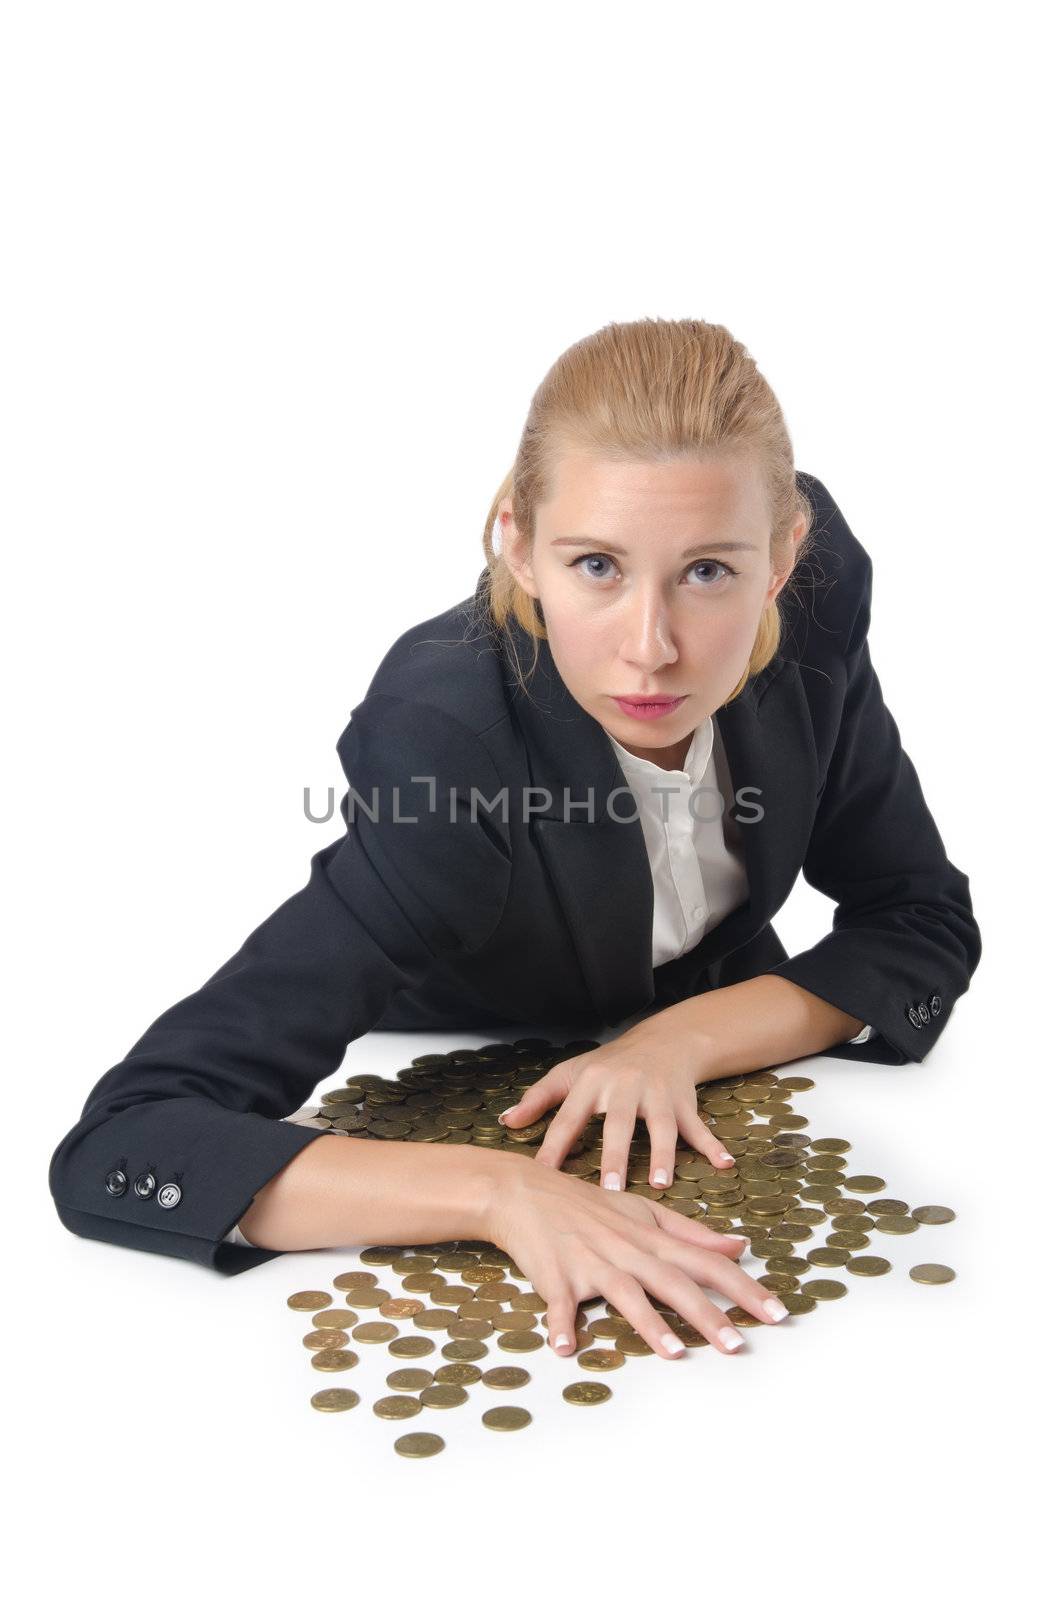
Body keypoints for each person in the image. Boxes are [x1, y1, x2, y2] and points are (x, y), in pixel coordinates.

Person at [48, 317, 981, 1361]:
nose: (651, 647)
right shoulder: (447, 744)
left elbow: (917, 916)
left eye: (708, 572)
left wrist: (675, 1042)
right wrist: (496, 1191)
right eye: (595, 565)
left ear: (782, 561)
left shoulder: (812, 619)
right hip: (470, 1029)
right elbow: (124, 1141)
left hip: (710, 1044)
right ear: (516, 543)